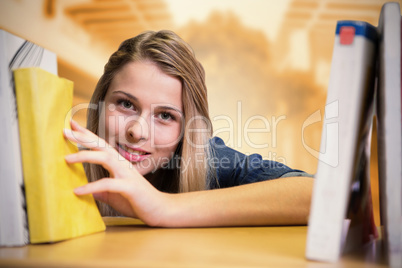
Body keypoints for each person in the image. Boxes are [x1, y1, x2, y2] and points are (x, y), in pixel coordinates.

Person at [64, 30, 314, 228]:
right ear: (100, 102)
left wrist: (163, 206)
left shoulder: (211, 163)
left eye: (165, 115)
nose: (137, 132)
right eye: (126, 104)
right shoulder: (66, 162)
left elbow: (319, 195)